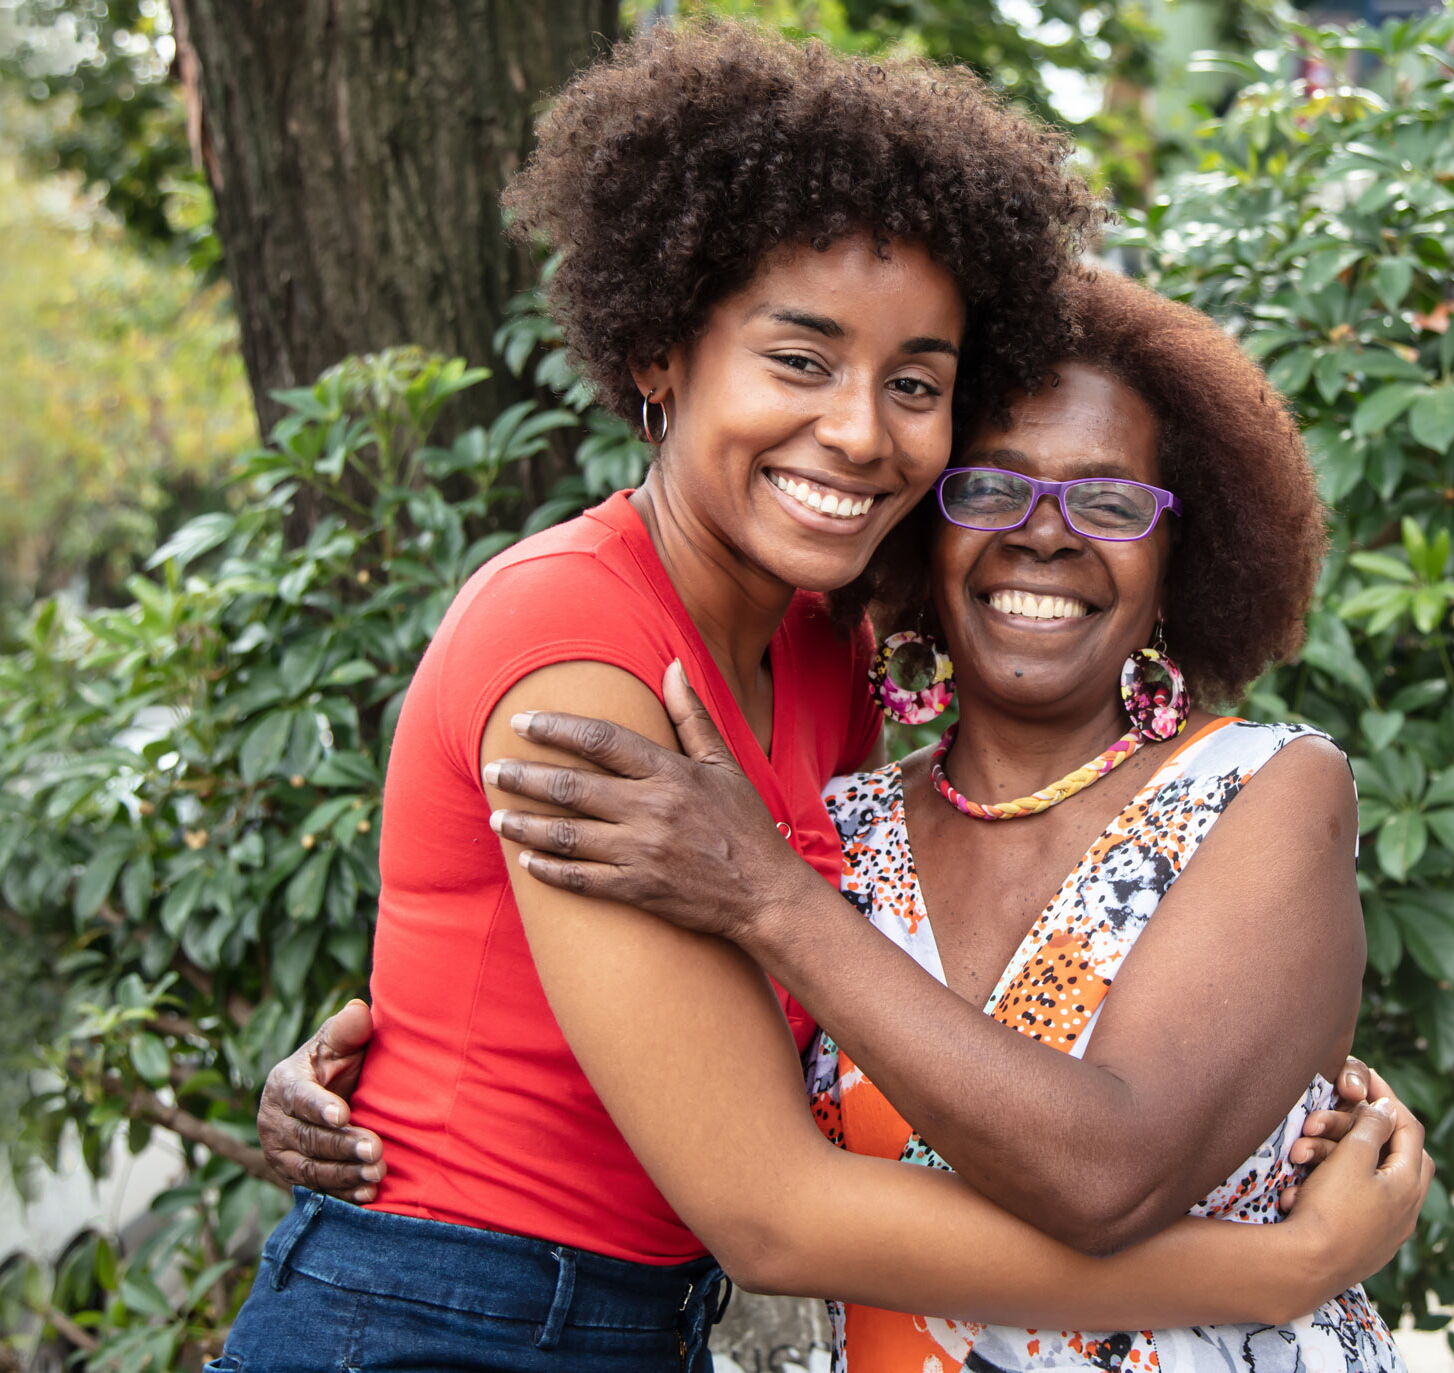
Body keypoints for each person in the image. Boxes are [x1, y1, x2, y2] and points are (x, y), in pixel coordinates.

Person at [225, 25, 1429, 1373]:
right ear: (658, 353)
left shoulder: (821, 658)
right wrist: (1284, 1262)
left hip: (620, 1323)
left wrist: (1264, 1114)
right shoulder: (572, 633)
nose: (861, 431)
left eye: (914, 384)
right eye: (798, 361)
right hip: (444, 1321)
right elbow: (771, 1211)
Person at [401, 269, 1430, 1369]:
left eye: (1112, 502)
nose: (1045, 535)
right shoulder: (829, 826)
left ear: (1183, 555)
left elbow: (1107, 1172)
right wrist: (375, 1073)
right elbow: (633, 1046)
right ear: (921, 530)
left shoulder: (1262, 787)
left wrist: (766, 896)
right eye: (988, 490)